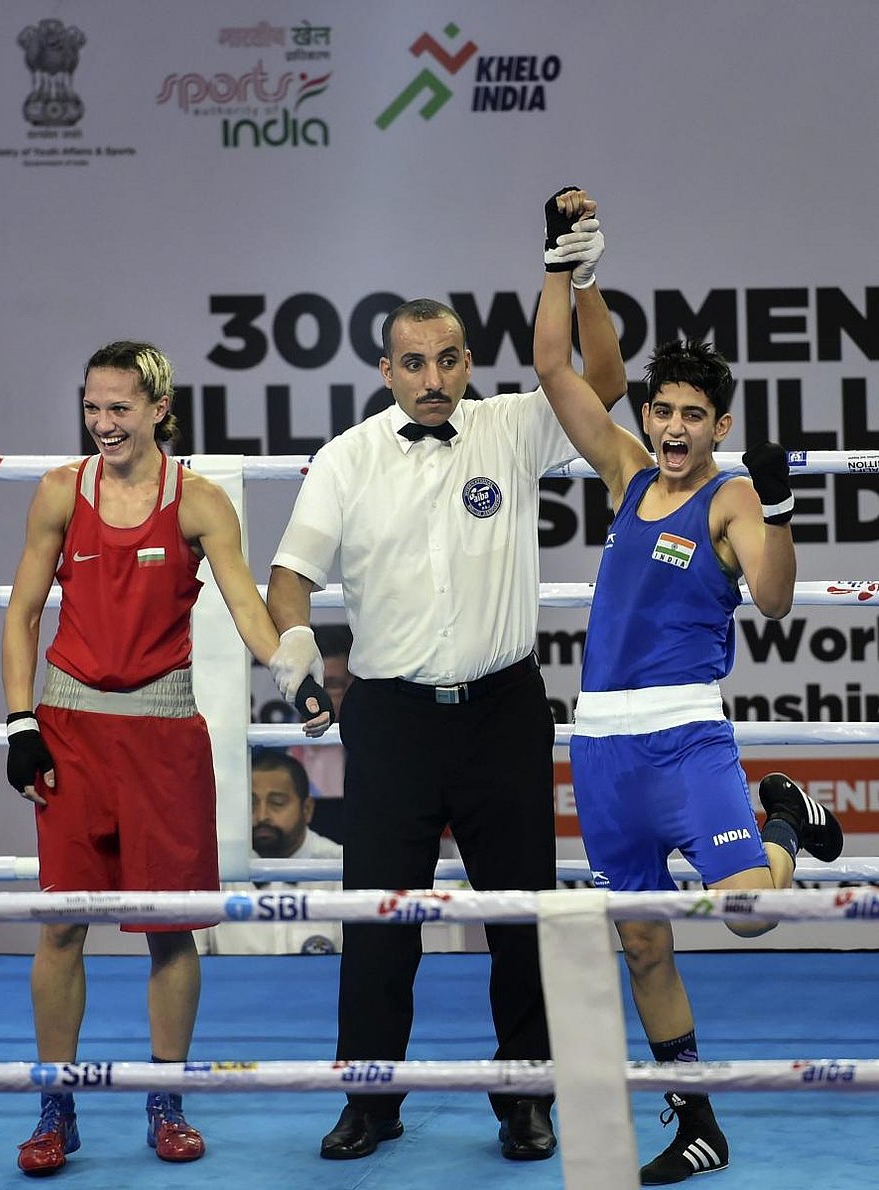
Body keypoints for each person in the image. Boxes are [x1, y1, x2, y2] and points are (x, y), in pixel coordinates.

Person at [265, 209, 627, 1163]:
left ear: (469, 362)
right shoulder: (346, 458)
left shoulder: (511, 427)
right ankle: (370, 1099)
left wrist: (580, 282)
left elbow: (606, 385)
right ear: (386, 371)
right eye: (413, 363)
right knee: (380, 923)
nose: (433, 379)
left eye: (449, 360)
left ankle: (527, 1098)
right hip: (389, 720)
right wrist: (295, 648)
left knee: (522, 916)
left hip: (504, 708)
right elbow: (290, 576)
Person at [532, 189, 844, 1185]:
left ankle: (784, 820)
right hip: (604, 748)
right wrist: (560, 263)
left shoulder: (733, 495)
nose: (672, 428)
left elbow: (777, 599)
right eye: (662, 410)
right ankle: (697, 1117)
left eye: (691, 416)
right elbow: (552, 367)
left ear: (719, 423)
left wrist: (786, 508)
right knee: (643, 945)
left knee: (751, 910)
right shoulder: (627, 471)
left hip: (685, 741)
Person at [1, 341, 322, 1177]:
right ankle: (54, 1105)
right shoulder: (57, 495)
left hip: (164, 731)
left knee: (172, 931)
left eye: (119, 408)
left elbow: (250, 608)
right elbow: (22, 614)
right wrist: (17, 721)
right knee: (61, 924)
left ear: (157, 410)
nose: (104, 424)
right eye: (93, 407)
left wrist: (295, 671)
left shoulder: (200, 501)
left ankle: (166, 1100)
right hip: (70, 728)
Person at [196, 748, 344, 955]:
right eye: (252, 803)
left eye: (277, 803)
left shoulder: (340, 867)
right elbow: (193, 961)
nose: (262, 815)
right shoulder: (216, 867)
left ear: (307, 809)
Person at [291, 624, 353, 844]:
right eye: (317, 686)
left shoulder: (374, 748)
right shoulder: (270, 745)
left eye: (334, 685)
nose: (322, 696)